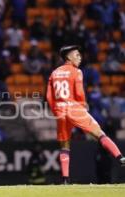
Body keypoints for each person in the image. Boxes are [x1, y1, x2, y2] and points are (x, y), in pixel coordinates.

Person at [46, 45, 125, 184]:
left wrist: (56, 110)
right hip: (74, 108)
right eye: (77, 55)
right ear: (68, 57)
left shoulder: (54, 73)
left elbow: (49, 97)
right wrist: (83, 106)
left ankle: (65, 179)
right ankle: (120, 158)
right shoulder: (77, 72)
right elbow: (79, 93)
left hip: (60, 110)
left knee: (64, 145)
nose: (80, 57)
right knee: (100, 134)